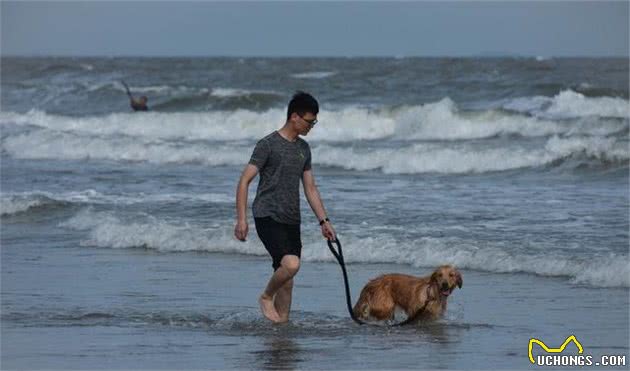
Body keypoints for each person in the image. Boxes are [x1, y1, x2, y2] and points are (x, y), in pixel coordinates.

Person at [234, 91, 336, 323]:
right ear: (294, 117)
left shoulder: (304, 149)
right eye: (310, 121)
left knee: (287, 279)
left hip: (292, 219)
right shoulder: (268, 144)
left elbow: (310, 188)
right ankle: (266, 297)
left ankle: (280, 330)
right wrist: (242, 219)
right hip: (267, 215)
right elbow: (244, 181)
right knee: (291, 264)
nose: (312, 125)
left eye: (314, 121)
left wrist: (324, 221)